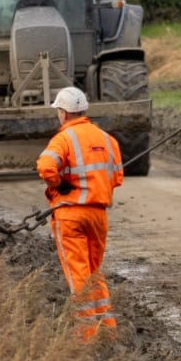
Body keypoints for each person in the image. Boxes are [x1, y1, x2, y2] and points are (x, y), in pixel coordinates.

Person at [35, 85, 123, 338]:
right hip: (98, 216)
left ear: (63, 113)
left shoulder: (63, 139)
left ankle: (86, 336)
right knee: (94, 272)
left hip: (70, 215)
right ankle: (107, 329)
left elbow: (45, 167)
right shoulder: (108, 140)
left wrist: (60, 184)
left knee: (78, 275)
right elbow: (116, 178)